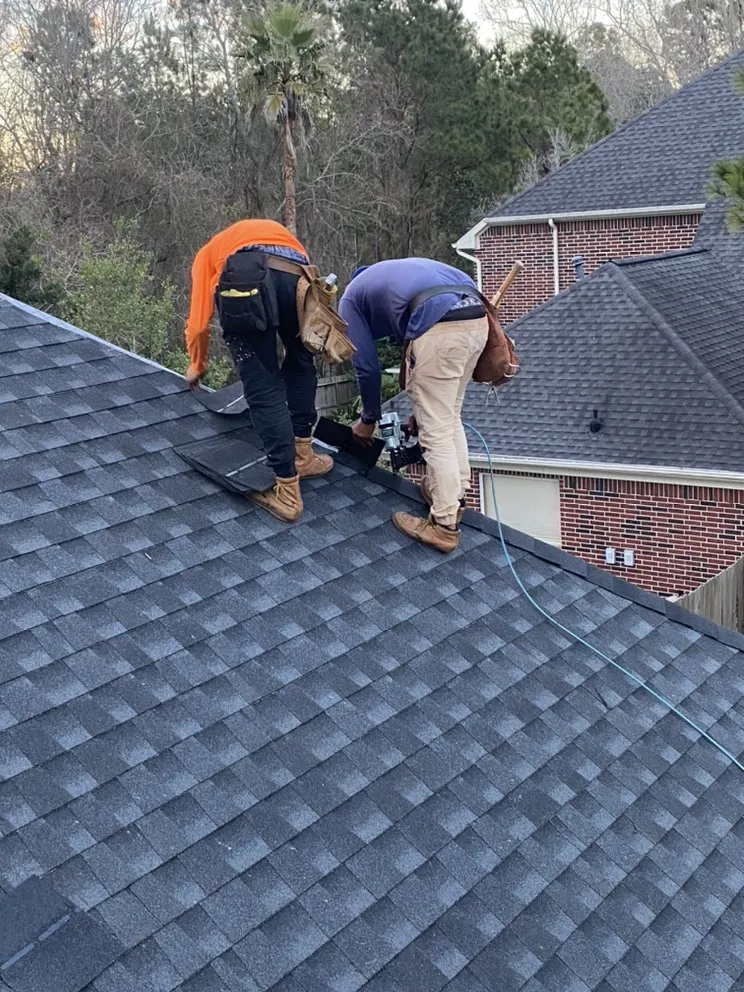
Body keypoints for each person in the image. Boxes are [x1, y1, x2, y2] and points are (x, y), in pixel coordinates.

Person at [184, 219, 332, 522]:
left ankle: (288, 492)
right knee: (300, 359)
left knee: (263, 382)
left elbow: (198, 325)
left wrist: (197, 364)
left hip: (245, 277)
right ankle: (303, 456)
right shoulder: (269, 231)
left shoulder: (208, 254)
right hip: (300, 275)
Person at [338, 258, 488, 553]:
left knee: (436, 431)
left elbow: (368, 368)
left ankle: (444, 525)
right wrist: (422, 407)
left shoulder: (351, 299)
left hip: (440, 325)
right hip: (477, 321)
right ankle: (450, 496)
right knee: (447, 416)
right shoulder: (400, 280)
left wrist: (368, 420)